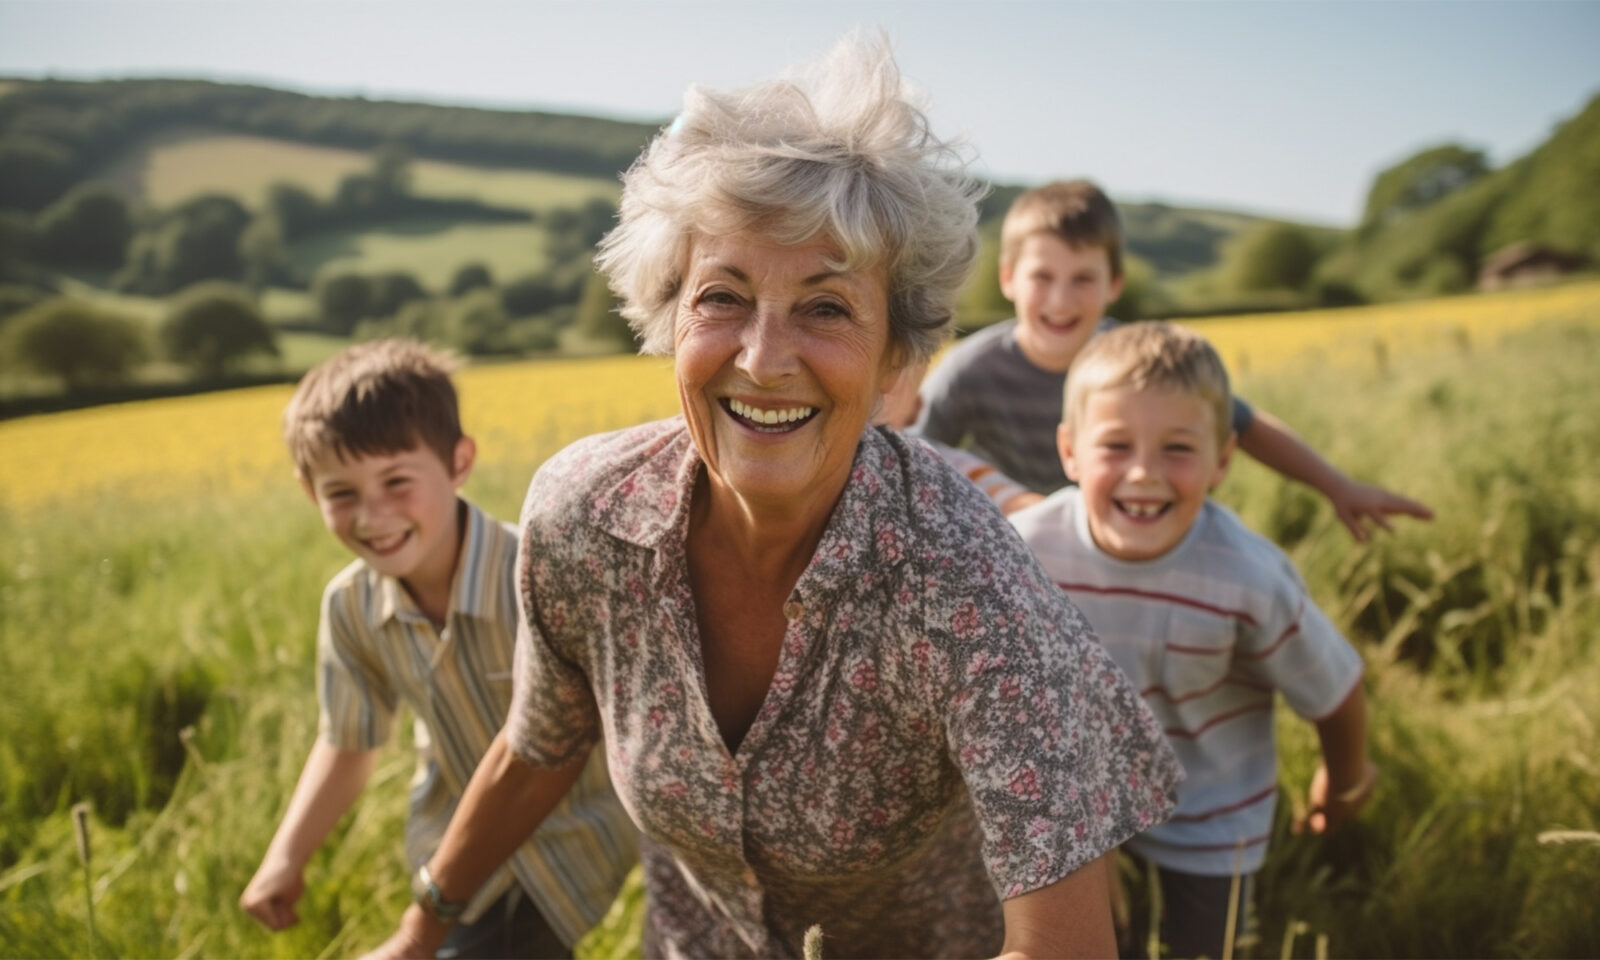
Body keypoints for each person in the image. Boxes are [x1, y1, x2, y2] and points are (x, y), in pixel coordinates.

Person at [366, 33, 1181, 960]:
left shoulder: (968, 584)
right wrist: (419, 928)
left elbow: (1064, 949)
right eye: (723, 298)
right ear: (669, 320)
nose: (762, 357)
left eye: (827, 307)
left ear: (896, 359)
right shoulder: (583, 519)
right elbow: (539, 747)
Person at [240, 340, 635, 959]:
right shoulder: (350, 608)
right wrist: (285, 857)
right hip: (452, 849)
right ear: (306, 490)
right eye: (340, 493)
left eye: (396, 481)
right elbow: (349, 740)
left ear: (459, 462)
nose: (372, 516)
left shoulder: (534, 576)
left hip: (571, 840)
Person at [1009, 322, 1378, 959]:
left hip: (1212, 806)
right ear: (1069, 452)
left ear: (1223, 460)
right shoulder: (1027, 547)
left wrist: (1343, 782)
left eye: (1178, 448)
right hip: (1085, 803)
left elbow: (1334, 690)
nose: (1145, 473)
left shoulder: (1248, 578)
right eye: (1116, 445)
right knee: (1085, 943)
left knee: (1207, 949)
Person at [913, 179, 1433, 541]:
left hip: (1133, 541)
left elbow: (1242, 424)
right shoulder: (969, 371)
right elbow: (915, 460)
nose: (1060, 300)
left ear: (1115, 284)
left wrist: (1337, 486)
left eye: (1083, 279)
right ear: (1008, 278)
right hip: (1021, 554)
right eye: (1042, 278)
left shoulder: (1140, 366)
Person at [877, 358, 1042, 514]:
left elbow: (1001, 493)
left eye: (890, 376)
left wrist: (1050, 510)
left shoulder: (942, 462)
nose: (870, 394)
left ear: (916, 408)